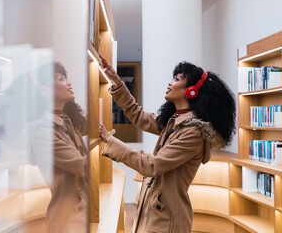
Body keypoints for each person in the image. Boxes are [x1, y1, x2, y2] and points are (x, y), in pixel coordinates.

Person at [99, 56, 236, 233]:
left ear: (192, 91)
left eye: (177, 79)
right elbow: (139, 116)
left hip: (167, 221)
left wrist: (110, 141)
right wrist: (117, 82)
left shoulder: (193, 133)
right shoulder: (175, 121)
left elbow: (152, 166)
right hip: (157, 214)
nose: (170, 83)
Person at [30, 61, 88, 233]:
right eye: (62, 79)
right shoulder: (42, 133)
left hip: (78, 214)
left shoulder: (67, 122)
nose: (69, 83)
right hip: (67, 221)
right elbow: (83, 166)